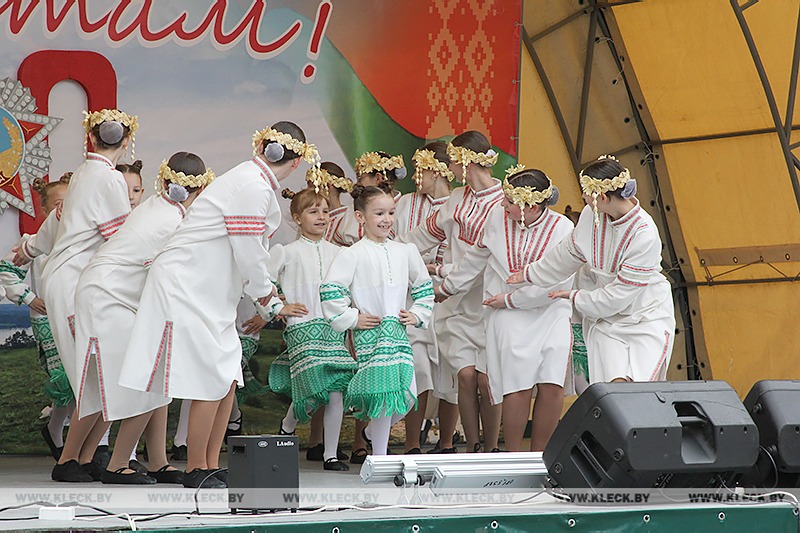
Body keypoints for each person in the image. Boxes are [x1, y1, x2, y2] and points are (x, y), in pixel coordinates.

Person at [119, 122, 318, 488]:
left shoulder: (250, 180)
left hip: (206, 288)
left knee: (227, 375)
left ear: (261, 146)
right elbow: (249, 251)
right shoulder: (252, 186)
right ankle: (197, 466)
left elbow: (248, 252)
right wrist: (269, 301)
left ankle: (210, 462)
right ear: (296, 163)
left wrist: (265, 295)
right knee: (211, 376)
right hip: (188, 286)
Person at [74, 153, 213, 484]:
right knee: (147, 381)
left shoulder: (159, 207)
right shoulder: (173, 222)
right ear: (202, 188)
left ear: (163, 180)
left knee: (153, 378)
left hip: (108, 292)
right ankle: (117, 464)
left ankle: (156, 461)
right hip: (108, 296)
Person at [24, 109, 137, 482]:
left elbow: (56, 225)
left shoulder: (83, 175)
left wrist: (26, 249)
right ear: (127, 140)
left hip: (72, 280)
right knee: (93, 375)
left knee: (100, 373)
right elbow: (120, 240)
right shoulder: (109, 178)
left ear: (90, 137)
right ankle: (69, 459)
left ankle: (83, 456)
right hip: (77, 282)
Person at [437, 166, 574, 451]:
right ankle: (513, 456)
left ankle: (539, 457)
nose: (502, 204)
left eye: (510, 201)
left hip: (550, 310)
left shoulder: (563, 228)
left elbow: (558, 283)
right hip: (507, 313)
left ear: (532, 206)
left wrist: (512, 300)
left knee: (552, 382)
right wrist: (447, 288)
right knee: (517, 382)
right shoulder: (496, 219)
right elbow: (475, 258)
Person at [508, 155, 675, 385]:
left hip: (644, 315)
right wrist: (530, 273)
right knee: (614, 387)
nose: (584, 200)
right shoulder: (592, 214)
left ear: (602, 197)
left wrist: (576, 296)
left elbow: (620, 295)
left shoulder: (644, 234)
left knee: (639, 388)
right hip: (606, 319)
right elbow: (568, 253)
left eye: (586, 195)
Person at [397, 130, 504, 453]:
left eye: (454, 162)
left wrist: (445, 279)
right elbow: (426, 234)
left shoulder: (503, 203)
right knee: (466, 375)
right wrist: (392, 250)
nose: (450, 169)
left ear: (465, 162)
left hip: (487, 301)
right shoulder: (457, 198)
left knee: (487, 378)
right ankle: (473, 446)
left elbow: (487, 259)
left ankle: (491, 448)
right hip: (454, 304)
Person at [321, 183, 434, 457]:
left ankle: (371, 433)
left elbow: (424, 286)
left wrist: (417, 313)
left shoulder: (405, 251)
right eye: (379, 213)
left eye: (391, 213)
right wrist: (352, 318)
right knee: (383, 396)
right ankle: (380, 458)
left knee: (407, 394)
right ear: (360, 217)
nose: (387, 220)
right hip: (370, 336)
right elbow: (330, 290)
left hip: (398, 333)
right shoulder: (352, 254)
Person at [264, 188, 356, 471]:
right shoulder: (286, 251)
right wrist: (279, 307)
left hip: (332, 330)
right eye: (313, 211)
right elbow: (261, 282)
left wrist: (350, 316)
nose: (321, 217)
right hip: (302, 328)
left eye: (325, 211)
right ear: (297, 217)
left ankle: (330, 455)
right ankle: (288, 424)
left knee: (335, 391)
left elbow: (350, 288)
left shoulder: (340, 253)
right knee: (313, 390)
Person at [0, 174, 71, 459]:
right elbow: (7, 271)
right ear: (44, 209)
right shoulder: (33, 242)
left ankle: (70, 437)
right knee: (64, 378)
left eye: (69, 203)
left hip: (78, 318)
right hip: (48, 320)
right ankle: (58, 432)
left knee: (81, 379)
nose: (63, 210)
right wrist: (31, 298)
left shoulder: (82, 241)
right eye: (57, 204)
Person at [394, 142, 455, 454]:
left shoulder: (458, 204)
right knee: (418, 366)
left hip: (449, 293)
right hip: (412, 295)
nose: (416, 175)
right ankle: (412, 443)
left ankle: (447, 442)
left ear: (438, 171)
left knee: (450, 367)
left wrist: (443, 272)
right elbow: (395, 243)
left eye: (422, 169)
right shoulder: (404, 203)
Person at [332, 151, 406, 247]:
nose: (357, 183)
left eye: (360, 179)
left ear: (378, 178)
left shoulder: (405, 206)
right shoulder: (357, 203)